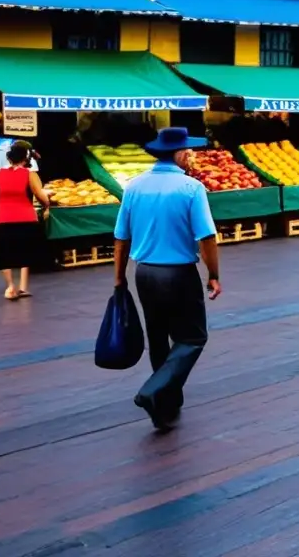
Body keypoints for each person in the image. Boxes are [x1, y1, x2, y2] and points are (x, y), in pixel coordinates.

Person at [113, 127, 221, 430]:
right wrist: (213, 274)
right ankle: (153, 390)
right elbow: (207, 237)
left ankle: (165, 405)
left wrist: (119, 279)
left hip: (144, 273)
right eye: (189, 150)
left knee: (158, 338)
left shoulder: (133, 187)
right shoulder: (191, 188)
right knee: (192, 337)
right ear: (180, 153)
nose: (192, 155)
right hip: (179, 273)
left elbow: (121, 238)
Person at [0, 141, 49, 300]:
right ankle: (24, 287)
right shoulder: (30, 174)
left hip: (4, 218)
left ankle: (11, 287)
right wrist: (47, 204)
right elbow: (40, 196)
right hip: (26, 218)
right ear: (26, 158)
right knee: (25, 251)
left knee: (5, 252)